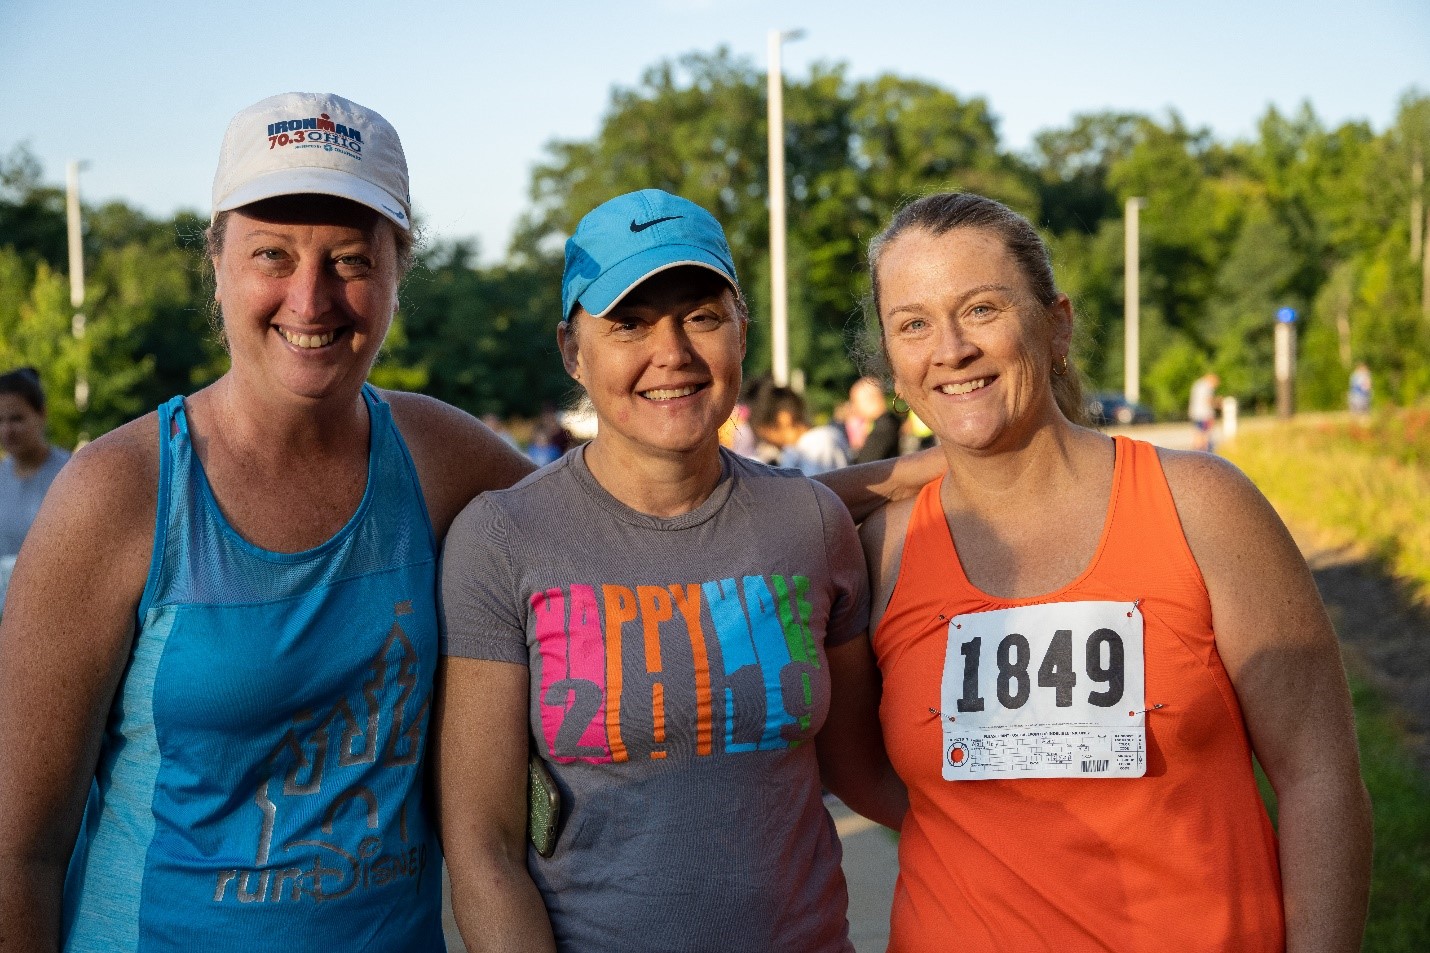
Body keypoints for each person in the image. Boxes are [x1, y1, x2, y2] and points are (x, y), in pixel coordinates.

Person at [0, 92, 533, 950]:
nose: (311, 299)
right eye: (272, 255)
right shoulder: (120, 492)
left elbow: (613, 520)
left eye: (353, 260)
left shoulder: (439, 455)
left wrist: (821, 501)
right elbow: (17, 852)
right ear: (215, 262)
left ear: (401, 270)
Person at [857, 193, 1372, 952]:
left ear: (1056, 326)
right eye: (913, 323)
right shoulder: (877, 553)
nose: (950, 348)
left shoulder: (1202, 506)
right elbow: (866, 776)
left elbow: (1319, 774)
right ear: (894, 361)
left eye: (982, 309)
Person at [435, 189, 899, 952]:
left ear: (741, 331)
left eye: (702, 315)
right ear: (572, 350)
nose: (673, 351)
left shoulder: (811, 524)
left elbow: (863, 771)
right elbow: (483, 845)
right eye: (629, 322)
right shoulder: (502, 539)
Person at [0, 368, 70, 610]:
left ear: (41, 414)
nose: (7, 430)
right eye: (0, 420)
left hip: (56, 607)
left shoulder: (71, 474)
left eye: (16, 419)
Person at [750, 384, 851, 476]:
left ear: (783, 418)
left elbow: (812, 491)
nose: (768, 441)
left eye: (766, 434)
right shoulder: (797, 450)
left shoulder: (819, 443)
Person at [846, 376, 903, 464]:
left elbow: (864, 463)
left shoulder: (884, 428)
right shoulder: (890, 421)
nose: (854, 407)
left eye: (855, 401)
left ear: (870, 400)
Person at [1188, 370, 1220, 451]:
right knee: (1204, 433)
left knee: (1199, 432)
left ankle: (1197, 451)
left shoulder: (1198, 384)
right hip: (1204, 414)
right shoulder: (1206, 386)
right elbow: (1207, 400)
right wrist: (1218, 403)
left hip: (1196, 412)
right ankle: (1204, 452)